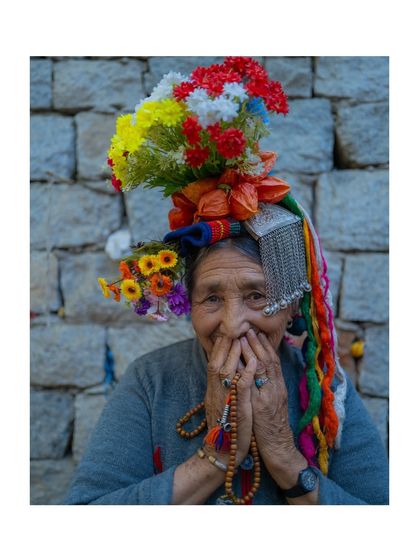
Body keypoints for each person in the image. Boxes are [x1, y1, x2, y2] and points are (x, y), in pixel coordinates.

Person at [65, 57, 388, 505]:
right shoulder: (151, 382)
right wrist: (213, 459)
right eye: (211, 298)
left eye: (257, 295)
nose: (234, 323)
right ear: (188, 305)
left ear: (294, 304)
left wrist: (282, 453)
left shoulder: (328, 394)